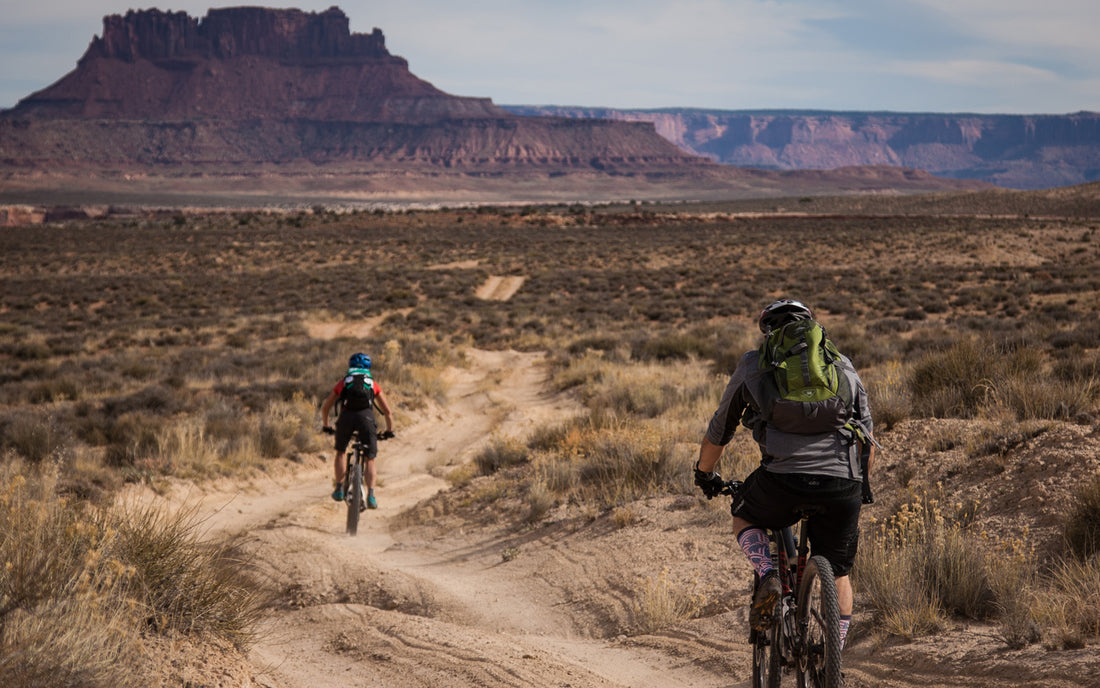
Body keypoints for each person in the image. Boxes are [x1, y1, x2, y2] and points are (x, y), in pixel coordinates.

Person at [694, 299, 876, 650]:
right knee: (838, 571)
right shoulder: (843, 365)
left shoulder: (754, 364)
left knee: (744, 515)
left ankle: (768, 575)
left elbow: (721, 427)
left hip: (782, 480)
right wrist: (859, 487)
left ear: (768, 330)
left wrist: (705, 474)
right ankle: (832, 656)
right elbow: (866, 435)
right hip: (842, 483)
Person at [321, 352, 394, 509]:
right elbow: (387, 411)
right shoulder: (372, 383)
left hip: (346, 418)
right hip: (366, 419)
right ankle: (371, 495)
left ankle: (339, 489)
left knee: (341, 451)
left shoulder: (344, 382)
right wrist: (389, 430)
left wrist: (327, 426)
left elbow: (326, 408)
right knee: (370, 459)